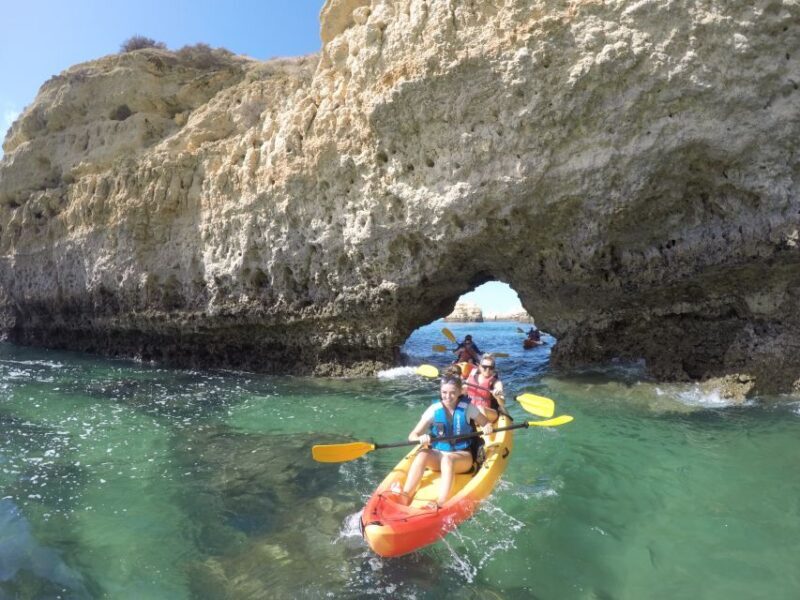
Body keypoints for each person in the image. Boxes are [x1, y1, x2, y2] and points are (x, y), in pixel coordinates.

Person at [393, 374, 494, 509]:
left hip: (462, 456)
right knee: (422, 454)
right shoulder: (434, 410)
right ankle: (405, 495)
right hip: (438, 455)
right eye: (444, 392)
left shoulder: (468, 408)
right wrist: (420, 438)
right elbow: (413, 435)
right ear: (440, 392)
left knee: (448, 460)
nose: (448, 396)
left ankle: (441, 502)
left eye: (453, 393)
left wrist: (488, 427)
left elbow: (486, 423)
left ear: (459, 392)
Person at [465, 353, 506, 423]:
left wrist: (498, 397)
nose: (487, 370)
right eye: (485, 367)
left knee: (480, 408)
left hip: (489, 412)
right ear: (480, 367)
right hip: (471, 410)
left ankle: (486, 427)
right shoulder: (471, 377)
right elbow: (463, 390)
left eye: (491, 368)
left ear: (494, 369)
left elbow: (502, 403)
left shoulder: (496, 382)